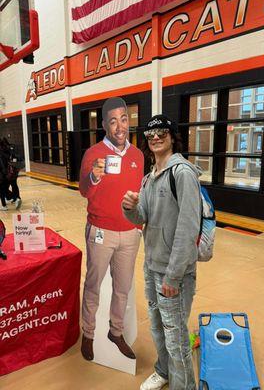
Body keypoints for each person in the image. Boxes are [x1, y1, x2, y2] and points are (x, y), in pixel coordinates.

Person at [122, 114, 201, 390]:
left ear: (172, 136)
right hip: (152, 267)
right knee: (158, 329)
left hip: (173, 273)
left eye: (162, 132)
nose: (155, 137)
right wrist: (130, 207)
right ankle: (164, 371)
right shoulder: (148, 179)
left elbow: (188, 229)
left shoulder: (183, 173)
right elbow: (140, 218)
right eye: (150, 133)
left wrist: (173, 276)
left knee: (176, 337)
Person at [79, 97, 144, 361]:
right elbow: (84, 190)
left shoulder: (138, 156)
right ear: (104, 124)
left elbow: (139, 194)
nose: (120, 126)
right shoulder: (93, 154)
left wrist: (138, 226)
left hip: (129, 234)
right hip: (100, 231)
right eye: (113, 121)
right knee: (93, 285)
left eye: (124, 119)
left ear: (129, 121)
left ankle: (115, 332)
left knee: (123, 287)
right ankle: (89, 333)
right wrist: (94, 176)